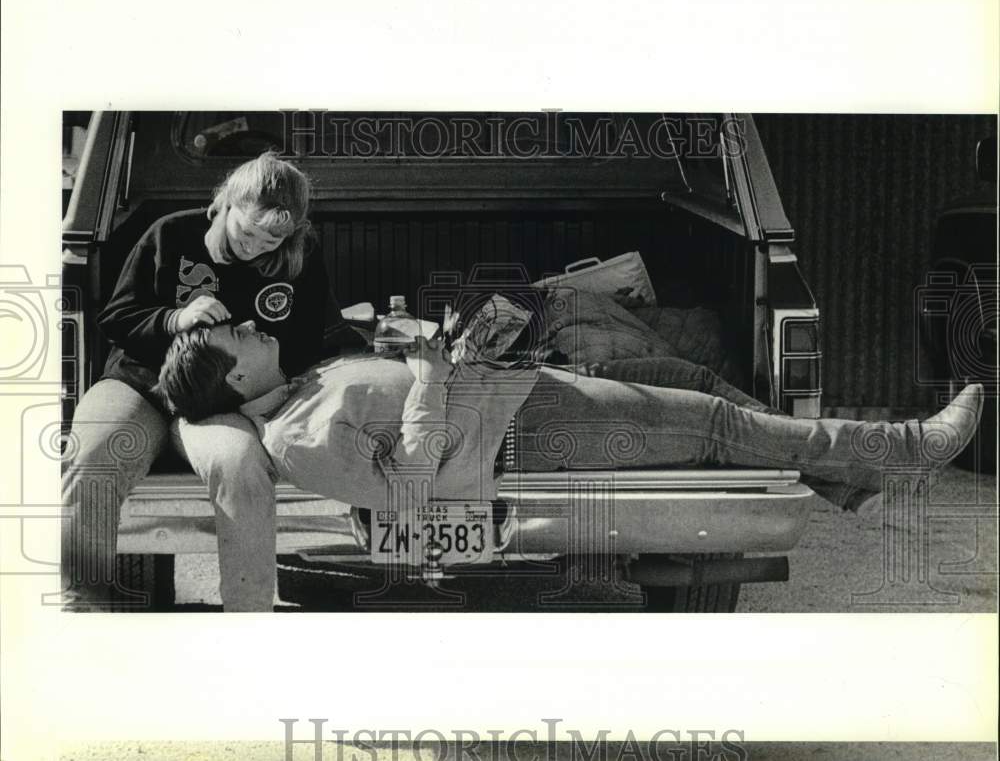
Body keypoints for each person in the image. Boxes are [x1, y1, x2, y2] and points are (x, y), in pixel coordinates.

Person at [156, 321, 984, 596]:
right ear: (234, 374)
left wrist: (426, 349)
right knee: (720, 428)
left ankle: (858, 477)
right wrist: (431, 378)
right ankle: (907, 449)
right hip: (531, 431)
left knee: (710, 412)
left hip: (526, 395)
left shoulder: (302, 383)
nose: (258, 327)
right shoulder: (294, 438)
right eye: (242, 334)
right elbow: (407, 494)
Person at [62, 151, 352, 611]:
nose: (255, 247)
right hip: (142, 386)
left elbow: (316, 339)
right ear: (224, 204)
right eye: (248, 232)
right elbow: (116, 317)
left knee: (240, 464)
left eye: (272, 240)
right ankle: (82, 603)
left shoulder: (299, 257)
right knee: (94, 452)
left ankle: (248, 614)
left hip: (224, 404)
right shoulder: (171, 233)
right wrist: (175, 317)